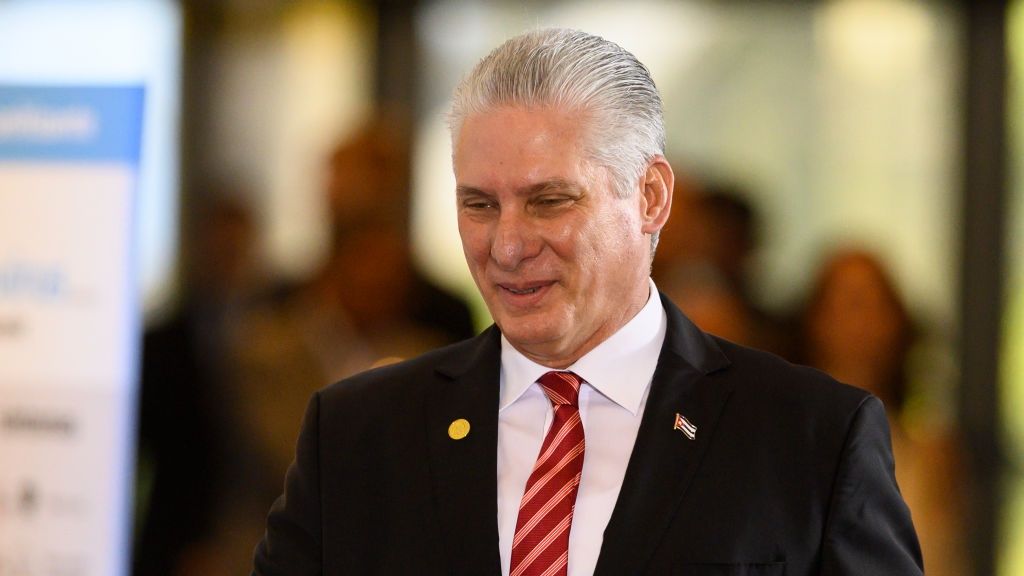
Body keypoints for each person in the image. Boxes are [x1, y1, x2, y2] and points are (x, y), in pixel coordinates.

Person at [252, 28, 922, 576]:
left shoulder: (812, 438)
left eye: (549, 201)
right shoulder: (358, 435)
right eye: (479, 205)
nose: (507, 246)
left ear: (651, 197)